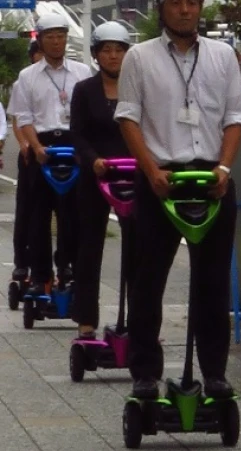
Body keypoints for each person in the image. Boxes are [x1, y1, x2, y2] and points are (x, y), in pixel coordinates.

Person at [115, 0, 241, 400]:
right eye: (176, 3)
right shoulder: (139, 57)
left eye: (192, 2)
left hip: (211, 179)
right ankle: (144, 372)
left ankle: (216, 373)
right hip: (162, 179)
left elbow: (235, 117)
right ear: (162, 9)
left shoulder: (223, 56)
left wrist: (224, 169)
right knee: (148, 280)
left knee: (212, 282)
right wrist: (150, 170)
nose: (185, 10)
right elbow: (128, 117)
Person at [12, 13, 91, 294]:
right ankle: (40, 274)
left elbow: (87, 115)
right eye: (50, 37)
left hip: (73, 147)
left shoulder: (82, 73)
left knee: (72, 213)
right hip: (41, 147)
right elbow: (23, 117)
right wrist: (35, 148)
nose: (56, 42)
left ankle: (68, 265)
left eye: (61, 36)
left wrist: (84, 150)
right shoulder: (28, 77)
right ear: (41, 40)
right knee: (38, 216)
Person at [70, 22, 136, 341]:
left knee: (139, 248)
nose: (113, 56)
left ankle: (139, 319)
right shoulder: (84, 90)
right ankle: (86, 320)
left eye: (119, 50)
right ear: (96, 55)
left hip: (133, 174)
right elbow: (77, 134)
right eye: (106, 50)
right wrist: (93, 159)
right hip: (95, 176)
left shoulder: (138, 87)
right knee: (90, 248)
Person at [8, 40, 43, 285]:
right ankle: (22, 262)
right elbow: (18, 119)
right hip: (32, 154)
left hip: (60, 153)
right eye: (39, 53)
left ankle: (63, 264)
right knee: (27, 211)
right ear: (33, 56)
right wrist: (24, 144)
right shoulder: (25, 81)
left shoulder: (72, 77)